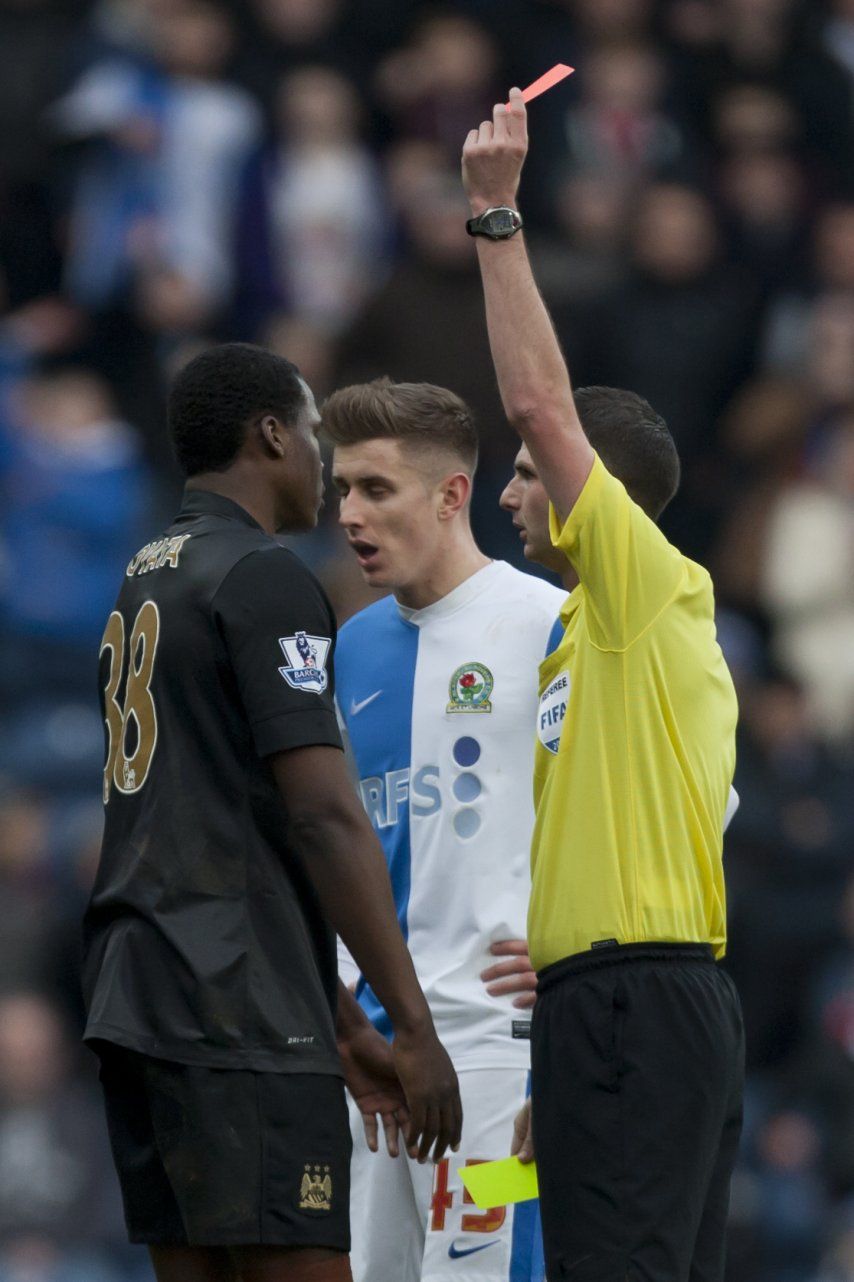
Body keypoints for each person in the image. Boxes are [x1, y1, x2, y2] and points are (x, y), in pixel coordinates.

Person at [81, 343, 461, 1282]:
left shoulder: (148, 574)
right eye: (317, 436)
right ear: (271, 434)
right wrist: (411, 1025)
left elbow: (209, 824)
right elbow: (322, 817)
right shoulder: (263, 575)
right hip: (235, 1011)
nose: (326, 466)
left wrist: (339, 1020)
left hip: (142, 995)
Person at [462, 93, 745, 1281]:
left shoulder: (644, 590)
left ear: (599, 496)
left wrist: (493, 215)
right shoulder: (580, 636)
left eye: (527, 477)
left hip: (640, 1005)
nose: (511, 493)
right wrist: (565, 951)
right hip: (604, 1002)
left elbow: (538, 401)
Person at [323, 376, 566, 1282]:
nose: (349, 512)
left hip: (499, 1054)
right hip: (379, 1068)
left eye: (375, 489)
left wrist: (588, 951)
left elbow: (689, 806)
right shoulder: (353, 647)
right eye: (341, 488)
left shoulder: (546, 623)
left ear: (451, 493)